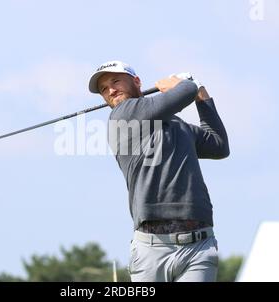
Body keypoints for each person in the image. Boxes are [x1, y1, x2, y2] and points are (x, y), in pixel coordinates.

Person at [88, 60, 230, 282]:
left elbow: (218, 145)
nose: (111, 90)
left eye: (115, 81)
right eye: (104, 89)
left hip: (198, 245)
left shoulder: (179, 126)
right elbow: (184, 92)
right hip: (151, 249)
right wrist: (185, 84)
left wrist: (201, 93)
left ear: (136, 82)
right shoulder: (122, 116)